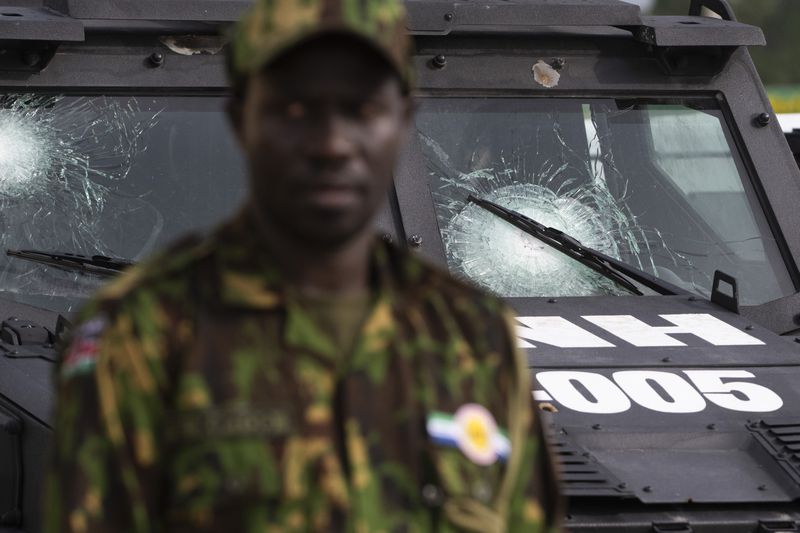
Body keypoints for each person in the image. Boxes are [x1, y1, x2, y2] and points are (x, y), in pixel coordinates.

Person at [43, 0, 562, 531]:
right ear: (241, 121)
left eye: (362, 109)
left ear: (403, 123)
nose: (333, 144)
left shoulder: (474, 336)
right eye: (294, 109)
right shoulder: (137, 334)